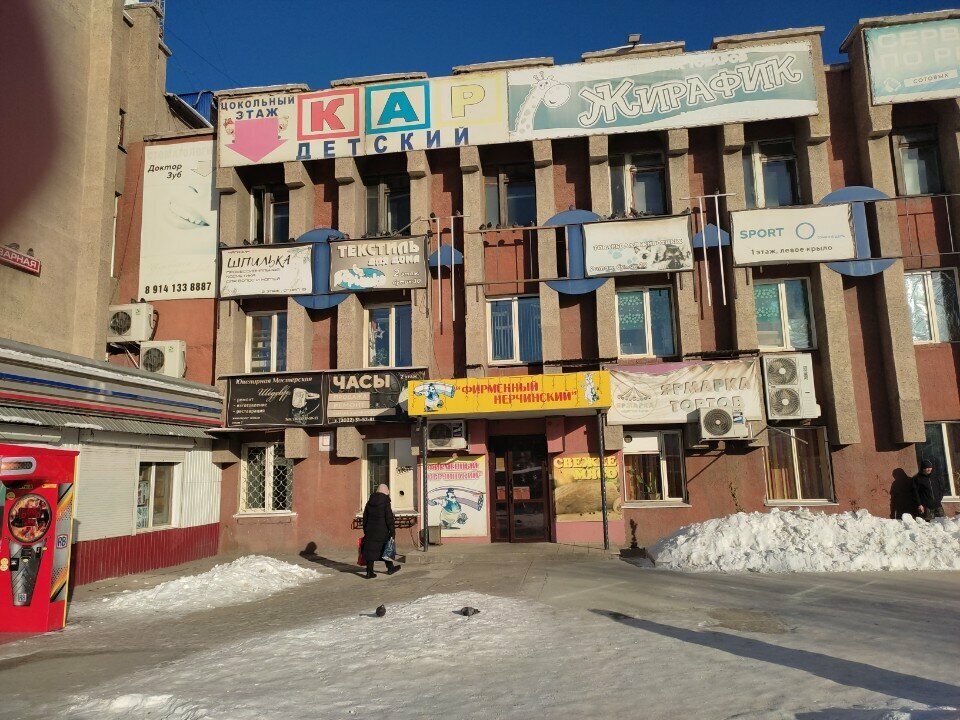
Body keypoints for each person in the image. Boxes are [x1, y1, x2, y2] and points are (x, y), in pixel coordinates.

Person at [361, 483, 399, 579]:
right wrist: (392, 532)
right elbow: (389, 519)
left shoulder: (369, 502)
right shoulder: (385, 502)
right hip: (382, 531)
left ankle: (369, 572)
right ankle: (390, 568)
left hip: (370, 531)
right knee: (385, 548)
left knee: (370, 551)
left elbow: (365, 517)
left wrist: (366, 530)